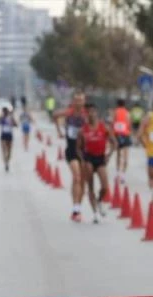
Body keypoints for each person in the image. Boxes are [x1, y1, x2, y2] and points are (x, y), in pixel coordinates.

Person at [77, 103, 115, 224]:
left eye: (93, 111)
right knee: (91, 186)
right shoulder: (82, 130)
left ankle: (99, 201)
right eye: (89, 112)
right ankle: (94, 213)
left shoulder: (104, 128)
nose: (91, 114)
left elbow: (114, 142)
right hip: (88, 158)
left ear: (97, 113)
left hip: (100, 158)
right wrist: (82, 159)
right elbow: (78, 148)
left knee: (105, 186)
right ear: (86, 114)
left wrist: (109, 155)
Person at [53, 91, 88, 222]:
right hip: (72, 150)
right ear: (73, 101)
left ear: (84, 101)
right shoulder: (69, 112)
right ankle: (75, 209)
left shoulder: (86, 114)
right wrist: (59, 131)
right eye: (76, 100)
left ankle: (78, 207)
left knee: (82, 181)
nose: (79, 102)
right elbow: (55, 115)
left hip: (85, 151)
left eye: (81, 100)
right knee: (77, 177)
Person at [111, 99, 132, 184]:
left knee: (118, 155)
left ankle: (117, 174)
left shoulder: (115, 112)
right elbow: (129, 124)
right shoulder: (127, 113)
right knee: (125, 156)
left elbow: (113, 123)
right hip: (125, 134)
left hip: (117, 134)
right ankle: (123, 175)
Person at [0, 106, 18, 172]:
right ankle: (6, 162)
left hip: (9, 135)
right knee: (4, 149)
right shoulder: (1, 118)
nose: (4, 113)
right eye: (3, 111)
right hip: (4, 135)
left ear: (7, 112)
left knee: (8, 150)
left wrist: (12, 123)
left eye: (5, 111)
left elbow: (16, 125)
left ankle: (7, 161)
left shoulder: (10, 118)